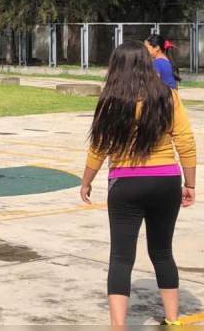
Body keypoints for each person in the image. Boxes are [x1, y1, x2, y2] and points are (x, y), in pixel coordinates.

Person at [80, 41, 196, 326]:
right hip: (166, 181)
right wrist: (190, 183)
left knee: (121, 257)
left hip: (126, 185)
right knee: (162, 251)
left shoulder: (110, 101)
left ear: (116, 66)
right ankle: (173, 318)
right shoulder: (168, 97)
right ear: (147, 63)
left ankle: (118, 325)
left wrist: (86, 181)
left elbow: (99, 147)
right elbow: (185, 140)